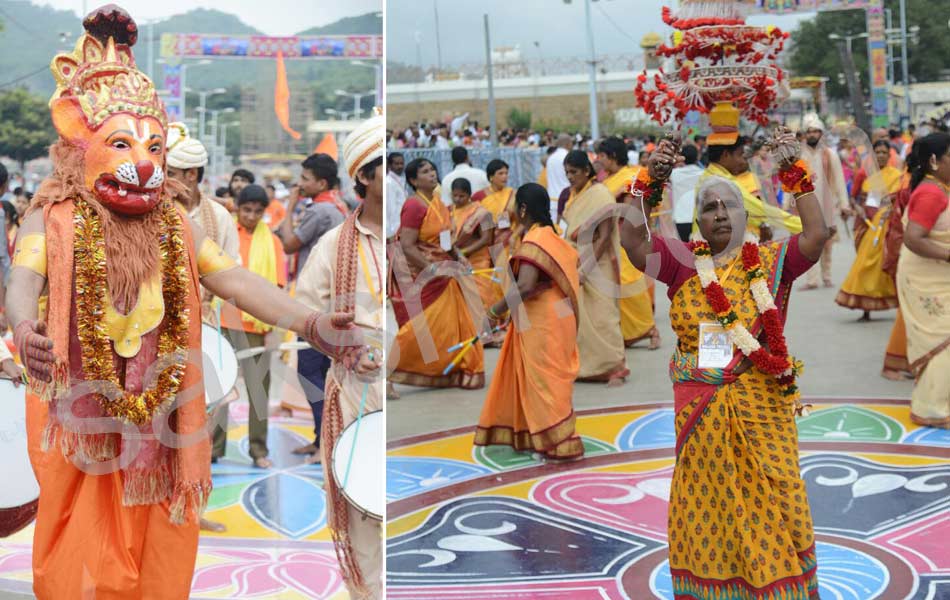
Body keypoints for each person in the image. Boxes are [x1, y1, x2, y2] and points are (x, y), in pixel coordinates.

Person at [4, 7, 359, 597]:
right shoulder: (51, 216)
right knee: (78, 553)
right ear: (80, 140)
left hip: (165, 418)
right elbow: (21, 279)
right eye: (121, 143)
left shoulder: (176, 223)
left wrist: (313, 322)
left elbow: (235, 280)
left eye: (153, 145)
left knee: (163, 548)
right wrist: (23, 323)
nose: (143, 161)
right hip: (76, 408)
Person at [620, 130, 828, 599]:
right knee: (708, 510)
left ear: (745, 214)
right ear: (697, 220)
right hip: (701, 418)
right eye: (708, 208)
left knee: (775, 505)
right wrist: (648, 181)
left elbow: (815, 234)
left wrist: (796, 172)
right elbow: (631, 238)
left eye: (728, 206)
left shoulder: (772, 263)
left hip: (763, 417)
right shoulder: (681, 266)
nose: (718, 214)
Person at [295, 112, 385, 598]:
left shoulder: (410, 237)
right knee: (363, 507)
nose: (391, 177)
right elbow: (307, 316)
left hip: (406, 380)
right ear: (364, 177)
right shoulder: (334, 246)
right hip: (356, 389)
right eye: (382, 168)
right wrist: (346, 349)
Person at [475, 183, 582, 459]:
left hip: (543, 320)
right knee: (549, 379)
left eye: (515, 206)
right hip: (557, 315)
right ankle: (544, 437)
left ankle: (558, 443)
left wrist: (493, 312)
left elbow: (524, 286)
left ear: (523, 209)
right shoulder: (551, 236)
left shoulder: (536, 241)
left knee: (544, 382)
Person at [390, 158, 485, 389]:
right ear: (413, 180)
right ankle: (389, 371)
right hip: (422, 276)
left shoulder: (439, 202)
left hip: (445, 272)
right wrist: (430, 269)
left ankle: (454, 370)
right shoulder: (414, 205)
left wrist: (458, 256)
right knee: (419, 328)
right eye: (424, 171)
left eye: (432, 169)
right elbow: (407, 245)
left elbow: (445, 239)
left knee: (449, 327)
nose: (432, 174)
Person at [277, 152, 347, 461]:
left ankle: (325, 443)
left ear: (321, 182)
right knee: (321, 372)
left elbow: (289, 243)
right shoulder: (338, 206)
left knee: (310, 373)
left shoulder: (320, 210)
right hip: (329, 301)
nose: (299, 183)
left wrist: (290, 205)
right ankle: (323, 439)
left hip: (314, 304)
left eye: (305, 178)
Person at [217, 184, 288, 469]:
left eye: (258, 211)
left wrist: (276, 329)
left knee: (258, 390)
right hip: (224, 320)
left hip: (258, 325)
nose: (251, 216)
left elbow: (278, 288)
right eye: (246, 210)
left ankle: (258, 450)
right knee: (220, 386)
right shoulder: (224, 235)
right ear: (236, 206)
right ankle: (212, 447)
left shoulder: (273, 243)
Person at [896, 132, 950, 428]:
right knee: (944, 337)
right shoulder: (931, 192)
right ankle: (931, 410)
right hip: (926, 279)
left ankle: (938, 402)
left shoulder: (939, 187)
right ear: (934, 161)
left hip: (936, 274)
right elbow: (913, 238)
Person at [561, 150, 629, 385]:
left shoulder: (600, 194)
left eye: (574, 172)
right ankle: (587, 368)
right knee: (580, 318)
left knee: (603, 316)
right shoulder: (573, 195)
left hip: (598, 265)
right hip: (573, 261)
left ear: (586, 171)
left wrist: (586, 269)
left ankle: (614, 367)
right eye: (567, 172)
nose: (570, 177)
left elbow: (604, 236)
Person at [697, 104, 802, 243]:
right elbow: (762, 211)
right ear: (726, 155)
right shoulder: (722, 182)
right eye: (741, 155)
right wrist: (805, 225)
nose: (744, 161)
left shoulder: (710, 176)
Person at [598, 136, 660, 349]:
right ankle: (626, 333)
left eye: (602, 156)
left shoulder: (629, 176)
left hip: (626, 236)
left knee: (628, 281)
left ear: (613, 156)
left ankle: (650, 329)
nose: (599, 160)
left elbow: (629, 208)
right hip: (608, 238)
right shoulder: (606, 180)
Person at [835, 139, 902, 319]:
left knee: (886, 264)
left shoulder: (896, 175)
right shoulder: (866, 174)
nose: (880, 155)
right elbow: (856, 198)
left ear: (889, 156)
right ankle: (866, 308)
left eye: (883, 153)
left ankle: (901, 307)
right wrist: (857, 208)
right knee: (864, 264)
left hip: (886, 227)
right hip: (866, 225)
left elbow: (898, 201)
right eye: (877, 152)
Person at [800, 112, 851, 289]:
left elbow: (840, 181)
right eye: (809, 131)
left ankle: (826, 276)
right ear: (805, 134)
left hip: (828, 206)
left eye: (816, 131)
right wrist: (787, 207)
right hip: (806, 206)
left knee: (827, 243)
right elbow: (791, 183)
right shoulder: (799, 157)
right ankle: (812, 280)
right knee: (808, 243)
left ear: (821, 133)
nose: (812, 134)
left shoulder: (831, 155)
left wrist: (844, 204)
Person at [451, 178, 498, 312]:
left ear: (469, 195)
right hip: (456, 260)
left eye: (462, 196)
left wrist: (463, 252)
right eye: (455, 195)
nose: (458, 199)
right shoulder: (448, 211)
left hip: (478, 261)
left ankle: (488, 328)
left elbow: (486, 239)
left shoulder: (483, 212)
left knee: (482, 297)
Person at [473, 159, 515, 246]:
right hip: (490, 242)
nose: (505, 176)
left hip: (511, 239)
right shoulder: (479, 196)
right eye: (500, 173)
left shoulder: (513, 194)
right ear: (491, 177)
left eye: (506, 173)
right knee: (498, 259)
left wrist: (514, 236)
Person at [671, 144, 704, 241]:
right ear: (698, 156)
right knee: (701, 251)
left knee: (685, 250)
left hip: (680, 218)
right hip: (699, 218)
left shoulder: (674, 174)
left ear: (682, 158)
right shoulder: (703, 174)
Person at [386, 152, 407, 241]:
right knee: (396, 254)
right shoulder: (389, 183)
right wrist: (391, 232)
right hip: (394, 230)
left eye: (401, 163)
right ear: (390, 165)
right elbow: (390, 209)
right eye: (397, 164)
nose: (400, 166)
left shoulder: (399, 180)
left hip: (401, 227)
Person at [545, 133, 573, 202]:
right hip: (566, 199)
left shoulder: (551, 158)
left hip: (552, 199)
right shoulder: (568, 157)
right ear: (568, 143)